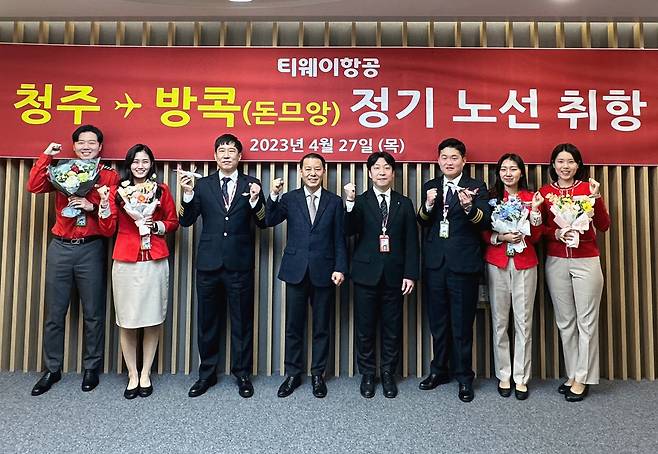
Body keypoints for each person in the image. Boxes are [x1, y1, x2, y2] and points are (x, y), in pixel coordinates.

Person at [27, 124, 120, 395]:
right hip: (60, 247)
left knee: (93, 313)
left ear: (100, 147)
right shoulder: (62, 170)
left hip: (91, 248)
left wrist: (93, 206)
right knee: (55, 312)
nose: (87, 147)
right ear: (75, 146)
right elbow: (34, 186)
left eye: (92, 143)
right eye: (81, 142)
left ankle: (92, 368)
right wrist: (47, 156)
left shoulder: (108, 176)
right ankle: (51, 369)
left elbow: (109, 221)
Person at [179, 133, 266, 398]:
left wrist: (255, 201)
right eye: (221, 150)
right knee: (207, 322)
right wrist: (186, 195)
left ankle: (243, 375)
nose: (226, 154)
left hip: (239, 264)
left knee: (242, 322)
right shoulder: (202, 185)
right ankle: (206, 375)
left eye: (231, 150)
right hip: (208, 264)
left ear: (240, 157)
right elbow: (186, 221)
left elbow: (263, 220)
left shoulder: (252, 183)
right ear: (215, 156)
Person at [97, 144, 178, 399]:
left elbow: (173, 221)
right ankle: (132, 373)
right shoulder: (116, 192)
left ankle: (146, 373)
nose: (140, 166)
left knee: (153, 317)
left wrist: (155, 227)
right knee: (128, 319)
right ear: (128, 164)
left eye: (145, 161)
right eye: (135, 161)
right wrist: (103, 205)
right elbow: (108, 228)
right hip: (126, 259)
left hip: (154, 258)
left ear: (151, 164)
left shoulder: (161, 190)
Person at [266, 153, 347, 398]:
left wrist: (340, 267)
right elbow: (269, 220)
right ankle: (293, 373)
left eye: (317, 169)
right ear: (300, 172)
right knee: (293, 325)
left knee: (322, 326)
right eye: (308, 169)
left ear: (324, 172)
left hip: (325, 270)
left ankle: (318, 374)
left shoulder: (334, 202)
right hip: (295, 270)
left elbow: (339, 239)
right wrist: (273, 196)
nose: (312, 173)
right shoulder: (290, 199)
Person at [416, 137, 491, 402]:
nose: (449, 162)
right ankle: (439, 371)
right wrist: (427, 205)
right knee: (438, 323)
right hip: (435, 265)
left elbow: (485, 222)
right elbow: (422, 221)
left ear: (464, 161)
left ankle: (464, 377)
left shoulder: (477, 187)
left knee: (461, 325)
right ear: (438, 160)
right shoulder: (431, 186)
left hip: (463, 266)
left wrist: (470, 207)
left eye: (454, 158)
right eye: (444, 158)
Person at [343, 151, 419, 399]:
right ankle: (367, 373)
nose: (382, 172)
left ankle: (387, 372)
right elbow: (349, 230)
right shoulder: (361, 201)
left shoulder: (404, 203)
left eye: (386, 168)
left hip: (395, 276)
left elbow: (411, 242)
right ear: (370, 173)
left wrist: (410, 274)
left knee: (392, 328)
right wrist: (350, 203)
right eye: (377, 168)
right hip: (366, 274)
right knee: (365, 328)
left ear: (393, 173)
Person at [539, 143, 610, 402]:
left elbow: (604, 225)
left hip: (586, 260)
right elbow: (540, 231)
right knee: (565, 321)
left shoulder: (587, 189)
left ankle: (584, 377)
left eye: (570, 161)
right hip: (556, 261)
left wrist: (597, 198)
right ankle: (572, 373)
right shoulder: (545, 193)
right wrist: (556, 232)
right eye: (560, 161)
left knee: (586, 321)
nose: (565, 166)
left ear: (578, 165)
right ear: (553, 165)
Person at [483, 153, 543, 400]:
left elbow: (539, 236)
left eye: (513, 169)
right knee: (499, 322)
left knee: (523, 322)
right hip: (497, 263)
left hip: (525, 264)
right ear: (498, 173)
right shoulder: (490, 199)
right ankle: (504, 374)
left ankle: (521, 377)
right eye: (504, 169)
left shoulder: (531, 198)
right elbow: (482, 232)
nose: (508, 173)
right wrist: (501, 237)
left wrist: (536, 214)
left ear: (521, 173)